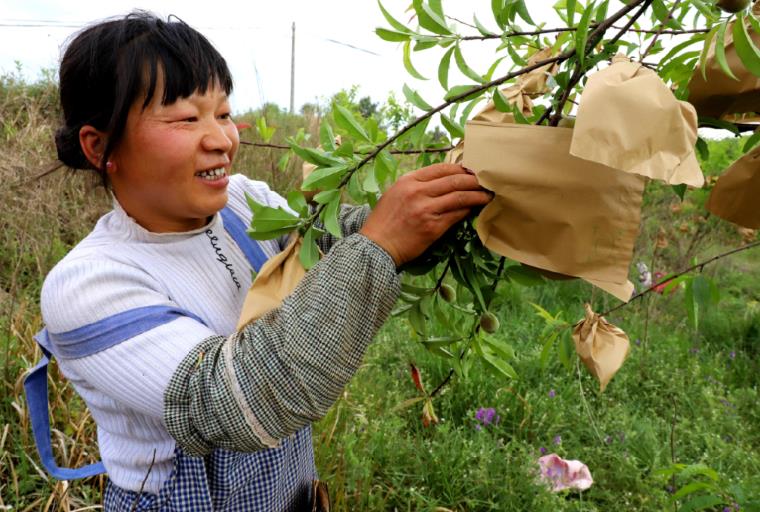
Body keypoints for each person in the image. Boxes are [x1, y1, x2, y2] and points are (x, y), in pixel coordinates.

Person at [31, 11, 492, 511]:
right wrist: (383, 242)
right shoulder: (88, 284)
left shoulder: (242, 205)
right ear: (100, 147)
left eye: (224, 114)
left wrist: (440, 202)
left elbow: (321, 245)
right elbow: (240, 401)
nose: (222, 140)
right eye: (187, 118)